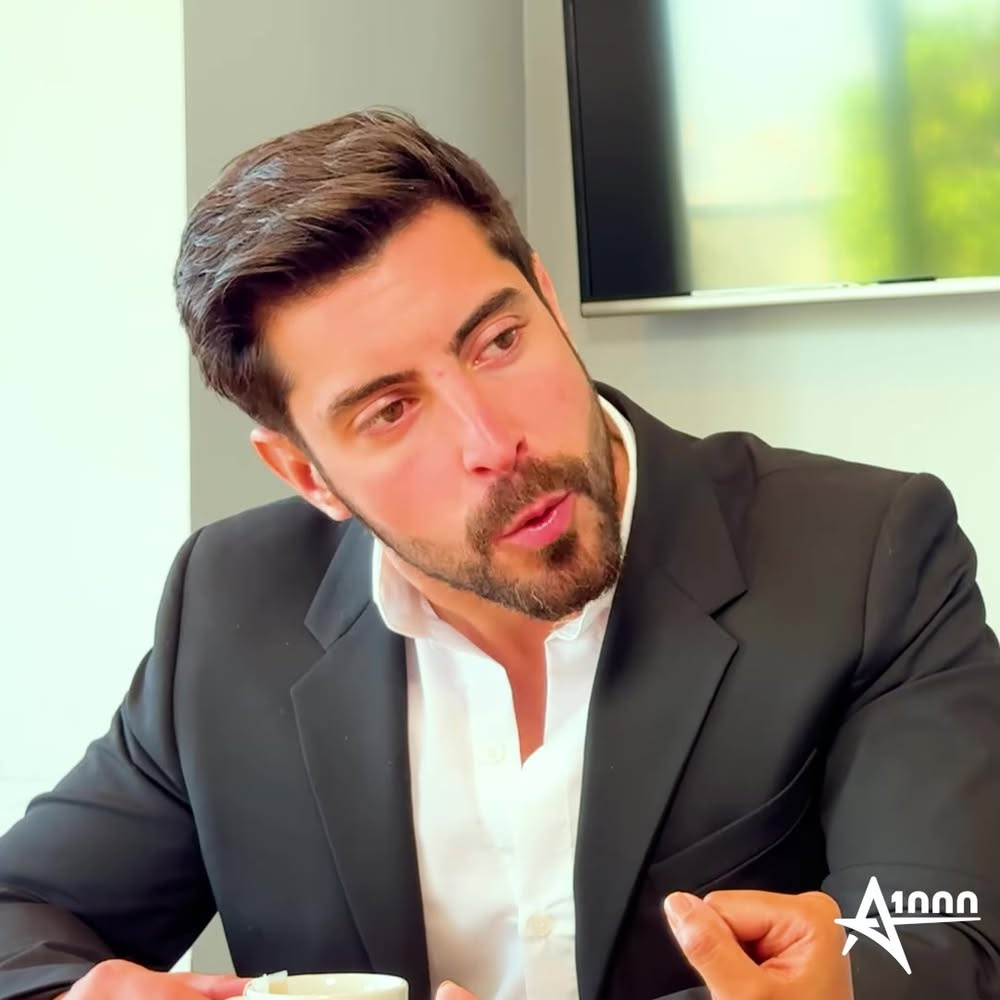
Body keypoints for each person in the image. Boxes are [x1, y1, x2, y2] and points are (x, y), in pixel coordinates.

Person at [0, 110, 997, 1000]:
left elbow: (945, 941)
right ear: (306, 473)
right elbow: (21, 916)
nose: (492, 442)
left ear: (547, 300)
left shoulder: (867, 554)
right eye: (391, 411)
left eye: (497, 343)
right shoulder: (230, 603)